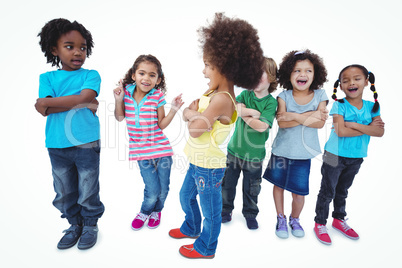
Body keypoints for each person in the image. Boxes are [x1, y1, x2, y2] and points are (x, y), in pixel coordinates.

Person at [168, 13, 265, 259]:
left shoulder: (222, 99)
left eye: (208, 66)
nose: (203, 72)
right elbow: (190, 114)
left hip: (209, 167)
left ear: (224, 67)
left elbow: (192, 127)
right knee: (185, 196)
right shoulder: (213, 93)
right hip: (196, 161)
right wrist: (192, 113)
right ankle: (191, 227)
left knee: (210, 210)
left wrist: (191, 114)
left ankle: (206, 247)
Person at [35, 18, 104, 250]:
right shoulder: (47, 78)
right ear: (54, 49)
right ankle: (75, 224)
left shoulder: (91, 75)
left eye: (82, 47)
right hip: (56, 143)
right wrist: (81, 102)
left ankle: (90, 224)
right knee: (64, 190)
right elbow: (43, 111)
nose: (78, 52)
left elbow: (85, 98)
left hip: (86, 141)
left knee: (88, 187)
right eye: (69, 46)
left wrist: (49, 102)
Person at [313, 65, 384, 245]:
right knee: (327, 190)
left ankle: (338, 220)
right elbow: (341, 131)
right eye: (346, 81)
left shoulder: (373, 107)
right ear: (341, 86)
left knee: (342, 190)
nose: (351, 83)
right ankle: (320, 223)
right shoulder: (339, 105)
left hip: (356, 157)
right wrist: (367, 128)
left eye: (357, 79)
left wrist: (354, 125)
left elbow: (379, 132)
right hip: (332, 154)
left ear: (366, 82)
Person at [263, 49, 329, 239]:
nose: (302, 74)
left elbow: (319, 122)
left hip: (303, 155)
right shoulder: (283, 96)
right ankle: (280, 217)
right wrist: (309, 115)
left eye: (308, 70)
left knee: (299, 193)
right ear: (288, 74)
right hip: (281, 151)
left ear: (316, 74)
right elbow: (282, 122)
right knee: (278, 185)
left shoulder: (320, 94)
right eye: (297, 71)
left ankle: (295, 219)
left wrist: (293, 115)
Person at [113, 54, 183, 231]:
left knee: (164, 188)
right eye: (142, 73)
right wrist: (118, 99)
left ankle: (156, 211)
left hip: (162, 151)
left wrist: (174, 110)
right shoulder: (126, 92)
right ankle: (145, 211)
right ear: (134, 75)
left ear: (158, 80)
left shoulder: (156, 96)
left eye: (152, 75)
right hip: (141, 153)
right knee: (152, 189)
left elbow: (161, 124)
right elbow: (120, 117)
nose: (146, 78)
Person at [221, 57, 278, 230]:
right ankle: (225, 210)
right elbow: (233, 108)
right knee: (227, 185)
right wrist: (252, 113)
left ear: (272, 77)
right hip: (234, 151)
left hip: (254, 157)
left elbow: (262, 127)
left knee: (252, 188)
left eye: (262, 73)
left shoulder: (271, 102)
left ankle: (250, 213)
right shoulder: (245, 94)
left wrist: (243, 114)